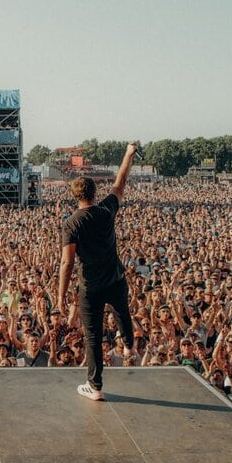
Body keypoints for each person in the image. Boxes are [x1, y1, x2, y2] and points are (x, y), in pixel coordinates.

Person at [56, 141, 140, 401]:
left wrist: (60, 296)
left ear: (75, 196)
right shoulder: (106, 210)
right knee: (122, 312)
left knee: (93, 336)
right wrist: (128, 153)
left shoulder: (71, 223)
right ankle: (128, 346)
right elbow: (122, 179)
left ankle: (95, 387)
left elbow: (67, 263)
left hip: (89, 285)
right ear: (94, 192)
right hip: (114, 278)